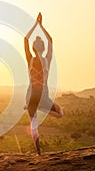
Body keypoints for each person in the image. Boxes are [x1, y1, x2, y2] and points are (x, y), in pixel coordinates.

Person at [24, 13, 63, 155]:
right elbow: (50, 39)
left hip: (32, 97)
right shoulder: (47, 59)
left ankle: (38, 151)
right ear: (43, 47)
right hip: (42, 96)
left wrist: (36, 25)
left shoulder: (32, 59)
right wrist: (41, 25)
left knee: (35, 125)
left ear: (34, 48)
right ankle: (38, 151)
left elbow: (26, 39)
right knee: (60, 114)